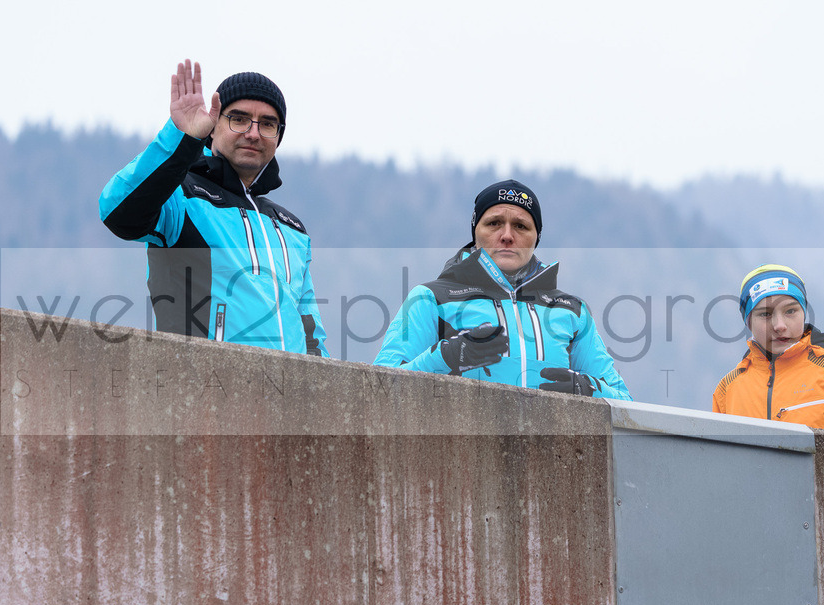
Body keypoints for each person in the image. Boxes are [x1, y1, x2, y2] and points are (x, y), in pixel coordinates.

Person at [99, 60, 329, 356]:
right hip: (204, 389)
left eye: (268, 124)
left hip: (286, 395)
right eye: (239, 119)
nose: (253, 133)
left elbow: (311, 332)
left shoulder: (290, 228)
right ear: (213, 125)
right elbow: (117, 212)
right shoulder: (181, 195)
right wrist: (182, 138)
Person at [374, 179, 632, 400]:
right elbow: (378, 390)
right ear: (475, 232)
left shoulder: (573, 311)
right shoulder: (431, 298)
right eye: (494, 223)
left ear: (536, 237)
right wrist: (446, 358)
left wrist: (587, 389)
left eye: (521, 226)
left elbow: (626, 403)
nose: (507, 235)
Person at [712, 264, 824, 435]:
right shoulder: (728, 389)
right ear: (748, 322)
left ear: (804, 313)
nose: (779, 325)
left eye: (790, 311)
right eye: (765, 314)